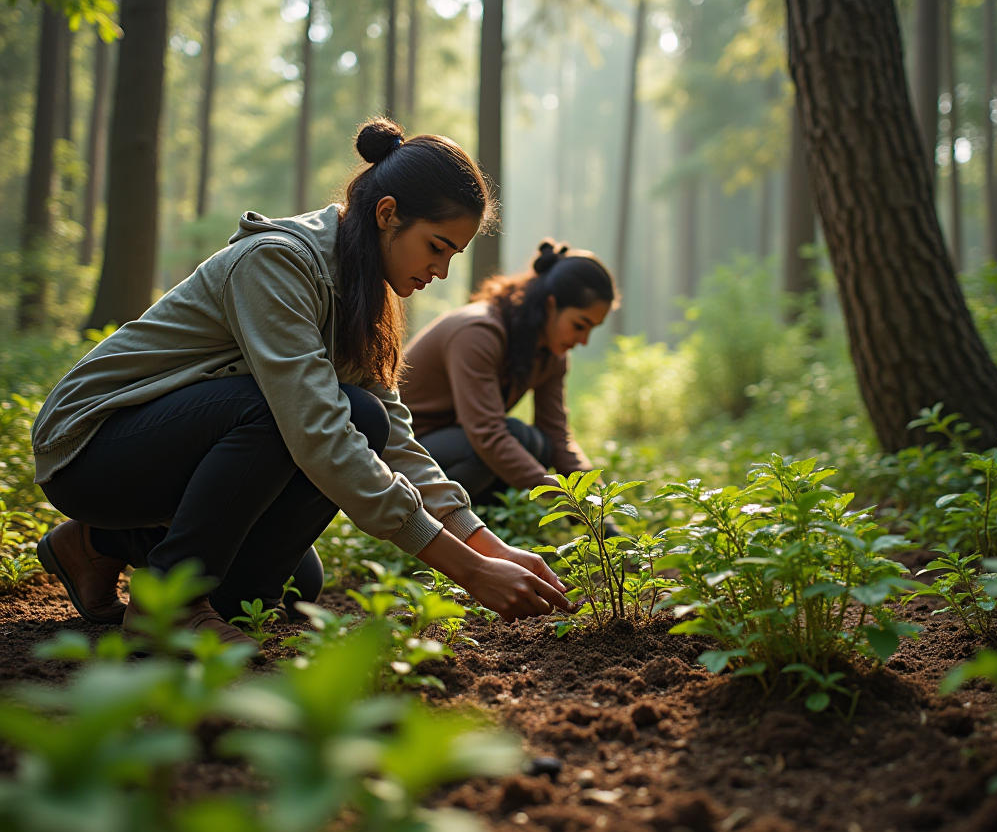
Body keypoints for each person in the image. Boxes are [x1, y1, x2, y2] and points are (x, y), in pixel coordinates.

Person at [32, 118, 568, 654]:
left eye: (452, 255)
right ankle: (165, 609)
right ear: (388, 214)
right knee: (304, 414)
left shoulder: (363, 289)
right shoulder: (278, 262)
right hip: (93, 448)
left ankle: (99, 543)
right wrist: (468, 571)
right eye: (437, 246)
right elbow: (315, 428)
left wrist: (487, 545)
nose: (442, 270)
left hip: (169, 457)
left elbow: (396, 438)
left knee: (288, 587)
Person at [400, 240, 615, 506]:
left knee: (537, 444)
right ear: (550, 305)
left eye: (591, 329)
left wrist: (597, 502)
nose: (583, 340)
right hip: (402, 449)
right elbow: (487, 435)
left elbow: (557, 434)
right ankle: (435, 524)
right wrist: (561, 495)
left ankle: (490, 528)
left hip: (454, 441)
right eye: (579, 325)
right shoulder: (478, 332)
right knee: (500, 445)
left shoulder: (551, 354)